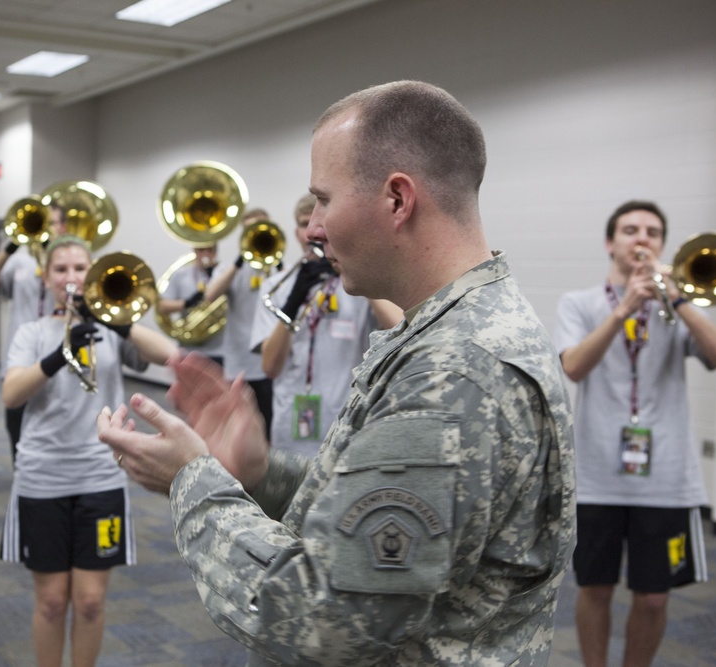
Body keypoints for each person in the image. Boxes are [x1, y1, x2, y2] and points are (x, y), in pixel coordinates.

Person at [97, 80, 576, 665]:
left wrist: (192, 480)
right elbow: (390, 522)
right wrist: (259, 473)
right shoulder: (459, 329)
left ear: (398, 200)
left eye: (323, 200)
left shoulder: (456, 370)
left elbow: (325, 621)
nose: (313, 228)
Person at [553, 200, 716, 667]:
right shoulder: (581, 303)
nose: (641, 239)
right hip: (596, 477)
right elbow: (573, 367)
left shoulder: (675, 307)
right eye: (630, 230)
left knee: (653, 598)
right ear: (611, 242)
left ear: (663, 245)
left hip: (666, 480)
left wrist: (681, 301)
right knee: (595, 588)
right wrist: (623, 309)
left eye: (651, 232)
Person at [0, 236, 176, 667]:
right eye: (60, 269)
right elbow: (11, 395)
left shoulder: (111, 333)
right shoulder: (32, 331)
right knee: (52, 602)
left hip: (101, 477)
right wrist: (60, 354)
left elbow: (169, 354)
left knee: (92, 601)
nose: (71, 277)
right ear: (46, 278)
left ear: (92, 273)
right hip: (42, 478)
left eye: (80, 268)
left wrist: (116, 322)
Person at [251, 193, 402, 454]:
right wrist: (293, 302)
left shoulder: (357, 285)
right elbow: (269, 367)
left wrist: (354, 271)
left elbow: (401, 327)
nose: (311, 234)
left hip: (347, 427)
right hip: (290, 426)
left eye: (322, 224)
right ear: (297, 231)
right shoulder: (277, 286)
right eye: (302, 224)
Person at [0, 204, 66, 464]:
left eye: (52, 223)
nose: (46, 229)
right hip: (21, 354)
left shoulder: (67, 265)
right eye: (43, 222)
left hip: (58, 351)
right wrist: (9, 248)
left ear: (62, 227)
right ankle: (23, 474)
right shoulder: (19, 260)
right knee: (15, 422)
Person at [202, 207, 277, 439]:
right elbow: (210, 295)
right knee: (239, 427)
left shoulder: (276, 266)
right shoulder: (230, 269)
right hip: (239, 361)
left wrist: (277, 263)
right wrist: (238, 261)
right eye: (249, 230)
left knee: (269, 425)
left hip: (269, 361)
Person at [157, 243, 225, 365]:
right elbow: (161, 306)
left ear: (215, 252)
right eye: (201, 250)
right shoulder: (181, 275)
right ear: (194, 250)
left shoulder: (224, 274)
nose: (205, 254)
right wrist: (187, 303)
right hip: (188, 349)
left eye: (209, 250)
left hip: (219, 349)